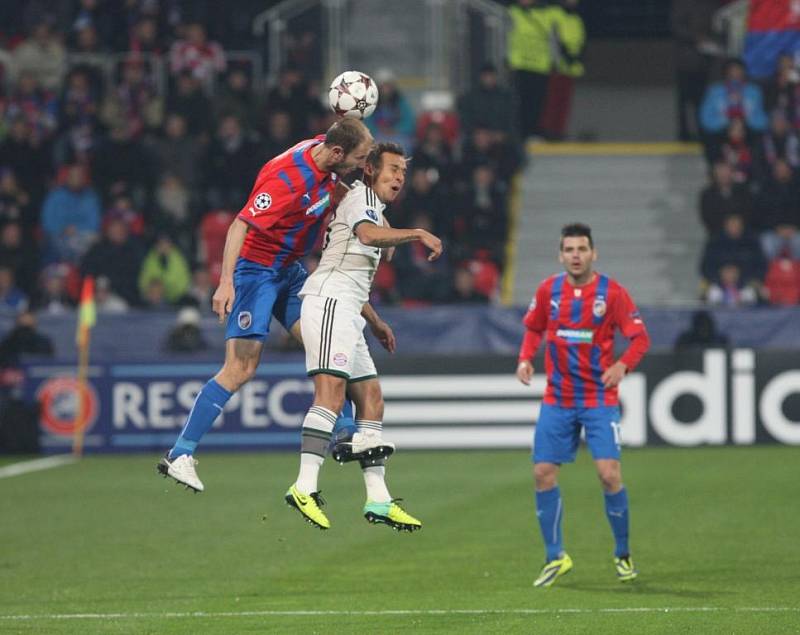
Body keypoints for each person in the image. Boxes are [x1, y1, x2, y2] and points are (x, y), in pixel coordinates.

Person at [157, 117, 377, 492]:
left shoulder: (327, 148)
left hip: (288, 270)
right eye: (358, 159)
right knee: (240, 368)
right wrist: (226, 282)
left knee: (324, 344)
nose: (361, 167)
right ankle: (181, 454)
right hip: (256, 273)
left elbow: (344, 137)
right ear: (338, 153)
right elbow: (239, 226)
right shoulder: (287, 182)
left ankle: (345, 433)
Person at [285, 142, 443, 531]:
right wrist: (419, 233)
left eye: (403, 173)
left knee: (371, 397)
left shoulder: (369, 205)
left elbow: (355, 270)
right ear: (370, 169)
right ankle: (304, 485)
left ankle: (379, 499)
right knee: (331, 394)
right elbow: (369, 237)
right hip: (328, 303)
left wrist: (374, 320)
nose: (398, 178)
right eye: (392, 169)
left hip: (348, 309)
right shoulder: (362, 199)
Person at [516, 223, 650, 587]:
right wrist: (525, 359)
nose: (576, 255)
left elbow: (640, 339)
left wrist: (622, 365)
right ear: (561, 255)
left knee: (609, 475)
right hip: (558, 398)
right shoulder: (548, 290)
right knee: (542, 473)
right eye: (570, 249)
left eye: (582, 249)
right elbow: (533, 328)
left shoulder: (613, 293)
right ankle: (555, 556)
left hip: (597, 399)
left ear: (594, 253)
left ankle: (622, 554)